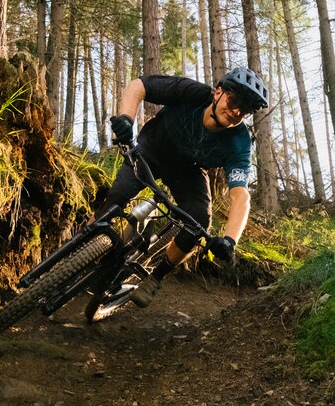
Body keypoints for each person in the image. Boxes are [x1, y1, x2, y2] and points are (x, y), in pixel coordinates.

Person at [102, 67, 269, 308]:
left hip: (187, 171)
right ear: (218, 92)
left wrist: (230, 240)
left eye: (244, 111)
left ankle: (154, 279)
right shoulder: (192, 93)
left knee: (199, 221)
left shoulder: (239, 142)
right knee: (117, 195)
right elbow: (138, 86)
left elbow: (240, 195)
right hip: (153, 148)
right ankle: (89, 242)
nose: (235, 112)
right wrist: (126, 119)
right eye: (233, 101)